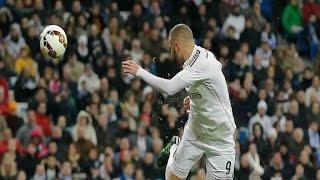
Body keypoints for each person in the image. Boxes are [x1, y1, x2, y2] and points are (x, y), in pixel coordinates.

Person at [122, 24, 236, 179]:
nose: (171, 53)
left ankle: (175, 149)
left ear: (177, 46)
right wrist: (196, 98)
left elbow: (169, 88)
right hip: (195, 130)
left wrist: (139, 71)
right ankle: (174, 148)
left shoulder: (202, 63)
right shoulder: (194, 60)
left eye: (170, 49)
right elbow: (208, 83)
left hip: (220, 138)